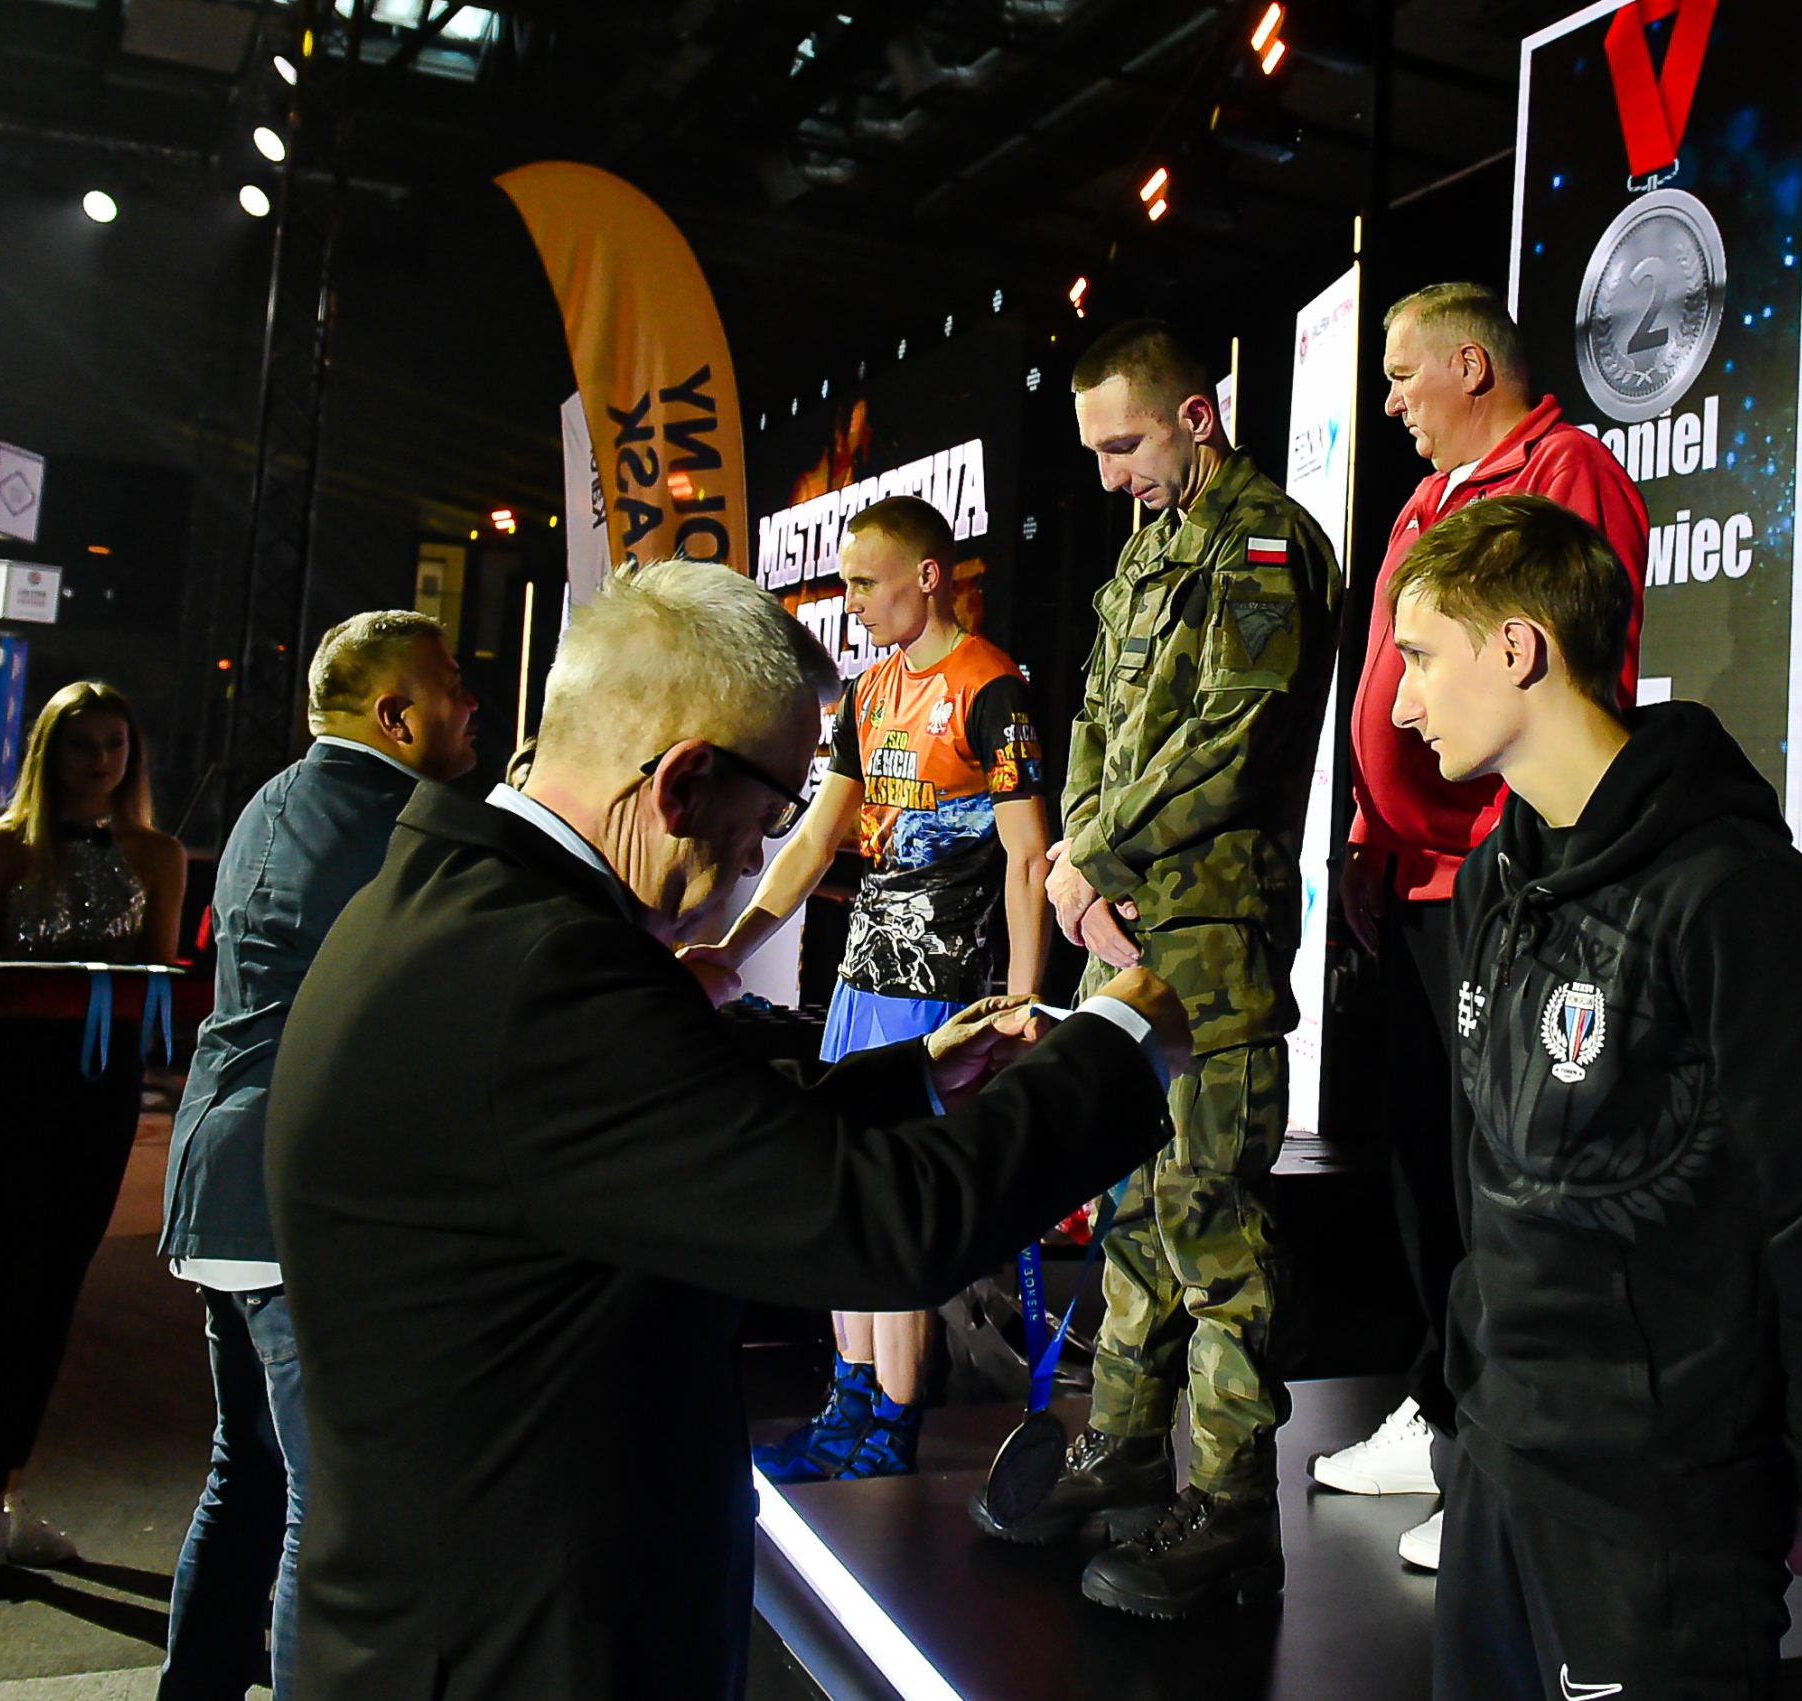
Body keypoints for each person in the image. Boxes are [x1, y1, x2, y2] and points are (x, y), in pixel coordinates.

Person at [265, 559, 1191, 1701]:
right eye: (764, 819)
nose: (758, 857)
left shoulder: (461, 910)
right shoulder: (548, 974)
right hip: (526, 1653)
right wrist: (1117, 1043)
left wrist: (912, 1081)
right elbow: (883, 1226)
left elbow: (681, 1137)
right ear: (683, 781)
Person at [1385, 494, 1802, 1698]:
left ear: (1517, 649)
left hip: (1659, 1517)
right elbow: (1489, 1183)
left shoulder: (1741, 902)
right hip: (1495, 1470)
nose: (1401, 704)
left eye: (1420, 657)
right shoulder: (1493, 884)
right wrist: (1465, 1395)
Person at [969, 318, 1339, 1619]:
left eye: (1123, 444)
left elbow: (1237, 735)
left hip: (1212, 940)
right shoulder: (1146, 549)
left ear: (1197, 415)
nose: (1108, 474)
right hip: (1121, 929)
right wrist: (1079, 862)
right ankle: (1123, 1447)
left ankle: (1232, 1510)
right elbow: (1092, 721)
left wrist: (1095, 857)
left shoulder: (1265, 540)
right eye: (1094, 451)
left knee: (1210, 1226)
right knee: (1129, 1204)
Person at [1314, 281, 1649, 1571]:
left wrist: (1523, 854)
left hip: (1500, 880)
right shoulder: (1424, 500)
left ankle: (1507, 1455)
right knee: (1424, 1162)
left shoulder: (1566, 472)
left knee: (1508, 1173)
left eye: (1403, 375)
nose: (1389, 401)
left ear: (1470, 366)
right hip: (1411, 883)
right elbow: (1388, 690)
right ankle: (1445, 1407)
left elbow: (1577, 688)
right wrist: (1367, 834)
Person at [683, 495, 1051, 1484]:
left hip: (938, 988)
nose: (848, 602)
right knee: (843, 1188)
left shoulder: (992, 689)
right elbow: (816, 839)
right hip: (860, 979)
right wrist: (731, 946)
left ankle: (890, 1418)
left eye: (861, 583)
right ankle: (847, 1403)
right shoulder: (870, 691)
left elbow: (1028, 857)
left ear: (925, 576)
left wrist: (1021, 1002)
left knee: (897, 1206)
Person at [153, 611, 478, 1696]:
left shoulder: (271, 801)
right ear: (396, 716)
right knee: (323, 1509)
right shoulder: (406, 828)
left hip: (218, 1184)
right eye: (449, 682)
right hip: (293, 1202)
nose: (470, 699)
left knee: (246, 1478)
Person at [0, 680, 187, 1597]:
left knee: (57, 1294)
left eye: (115, 744)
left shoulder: (157, 852)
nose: (100, 760)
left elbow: (160, 973)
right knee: (6, 1294)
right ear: (48, 751)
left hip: (102, 1089)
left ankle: (11, 1496)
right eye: (82, 744)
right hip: (12, 1082)